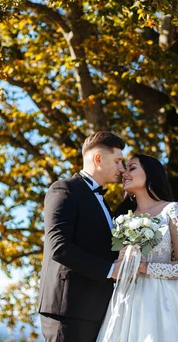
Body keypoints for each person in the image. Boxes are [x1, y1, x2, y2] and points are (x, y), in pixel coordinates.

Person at [96, 153, 178, 342]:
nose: (124, 174)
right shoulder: (122, 217)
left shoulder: (172, 210)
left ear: (150, 173)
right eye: (125, 169)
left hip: (167, 298)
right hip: (128, 298)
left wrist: (146, 267)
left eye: (132, 168)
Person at [38, 131, 126, 342]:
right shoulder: (64, 190)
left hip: (96, 309)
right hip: (68, 310)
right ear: (98, 159)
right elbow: (59, 247)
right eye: (118, 161)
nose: (122, 169)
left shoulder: (103, 202)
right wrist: (111, 270)